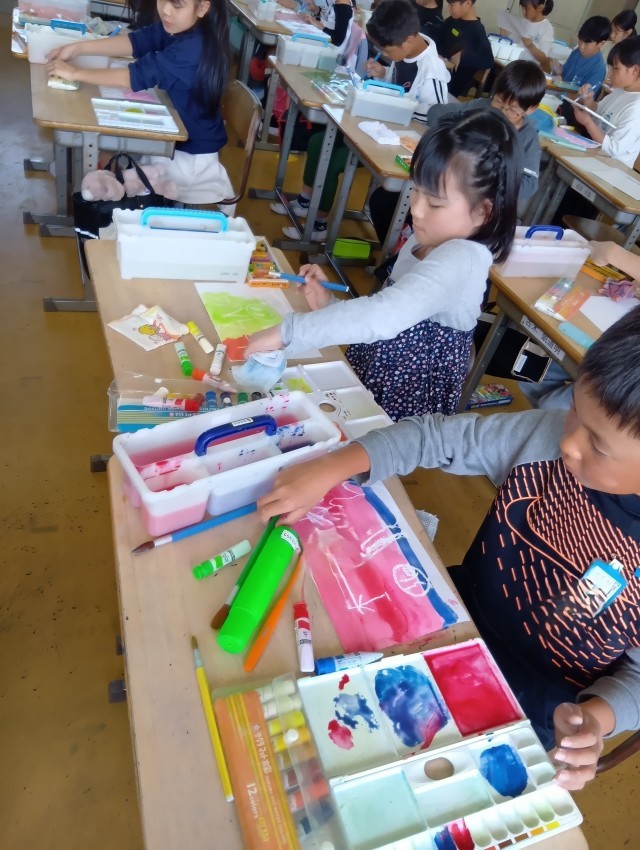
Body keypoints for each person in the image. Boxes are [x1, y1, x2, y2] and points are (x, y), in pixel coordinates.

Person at [257, 306, 640, 789]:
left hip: (537, 704)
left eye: (598, 445)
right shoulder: (543, 437)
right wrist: (334, 465)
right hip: (449, 618)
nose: (569, 442)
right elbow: (434, 436)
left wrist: (596, 720)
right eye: (574, 411)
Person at [252, 110, 520, 422]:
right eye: (415, 189)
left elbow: (384, 316)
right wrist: (329, 304)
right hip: (370, 375)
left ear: (483, 212)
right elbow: (387, 311)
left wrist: (289, 331)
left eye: (435, 203)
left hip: (404, 404)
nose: (416, 210)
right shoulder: (424, 237)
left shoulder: (463, 257)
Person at [270, 0, 450, 242]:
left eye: (386, 51)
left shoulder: (432, 75)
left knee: (331, 157)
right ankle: (305, 201)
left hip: (399, 147)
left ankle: (319, 224)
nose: (385, 55)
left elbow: (431, 126)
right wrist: (383, 74)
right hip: (378, 128)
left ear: (407, 40)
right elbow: (399, 90)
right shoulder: (405, 47)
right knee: (317, 142)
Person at [46, 0, 234, 207]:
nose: (166, 11)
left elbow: (134, 76)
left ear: (202, 8)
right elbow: (136, 42)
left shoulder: (194, 47)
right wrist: (77, 48)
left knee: (106, 151)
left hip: (189, 161)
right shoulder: (181, 28)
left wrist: (75, 73)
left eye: (177, 5)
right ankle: (78, 177)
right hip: (172, 142)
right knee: (105, 143)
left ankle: (95, 203)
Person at [368, 59, 546, 244]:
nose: (502, 112)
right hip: (445, 189)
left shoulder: (527, 137)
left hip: (477, 208)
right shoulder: (481, 107)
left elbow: (529, 184)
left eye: (512, 110)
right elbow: (435, 113)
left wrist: (486, 183)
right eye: (499, 102)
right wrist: (468, 121)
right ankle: (404, 244)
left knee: (441, 226)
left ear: (531, 109)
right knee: (382, 201)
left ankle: (413, 244)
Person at [570, 36, 640, 169]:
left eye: (616, 68)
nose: (610, 73)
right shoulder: (620, 91)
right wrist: (588, 101)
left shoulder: (636, 108)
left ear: (635, 70)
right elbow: (598, 112)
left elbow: (613, 149)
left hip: (610, 169)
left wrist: (587, 122)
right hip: (594, 155)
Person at [430, 0, 493, 98]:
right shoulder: (452, 20)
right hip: (437, 72)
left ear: (467, 3)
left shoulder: (477, 30)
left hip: (449, 86)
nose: (449, 9)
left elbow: (488, 60)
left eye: (452, 5)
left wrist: (463, 53)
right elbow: (436, 33)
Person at [553, 16, 610, 93]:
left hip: (566, 99)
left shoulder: (598, 69)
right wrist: (558, 72)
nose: (581, 47)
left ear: (601, 43)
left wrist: (561, 88)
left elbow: (583, 98)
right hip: (557, 94)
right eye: (580, 41)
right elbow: (563, 75)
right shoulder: (577, 52)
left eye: (586, 44)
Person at [498, 0, 555, 68]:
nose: (523, 12)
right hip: (511, 63)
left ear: (540, 8)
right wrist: (504, 33)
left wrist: (530, 46)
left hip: (527, 69)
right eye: (522, 8)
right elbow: (511, 44)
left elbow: (543, 58)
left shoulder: (547, 28)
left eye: (527, 8)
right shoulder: (522, 22)